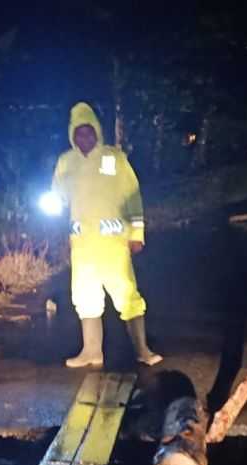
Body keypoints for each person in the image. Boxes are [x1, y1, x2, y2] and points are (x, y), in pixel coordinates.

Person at [52, 101, 163, 368]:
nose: (84, 137)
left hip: (113, 245)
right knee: (84, 296)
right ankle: (91, 352)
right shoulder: (65, 163)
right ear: (72, 134)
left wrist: (137, 233)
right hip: (83, 246)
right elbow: (58, 197)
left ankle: (143, 350)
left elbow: (132, 195)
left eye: (89, 131)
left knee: (127, 295)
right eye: (79, 132)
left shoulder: (114, 159)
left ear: (97, 131)